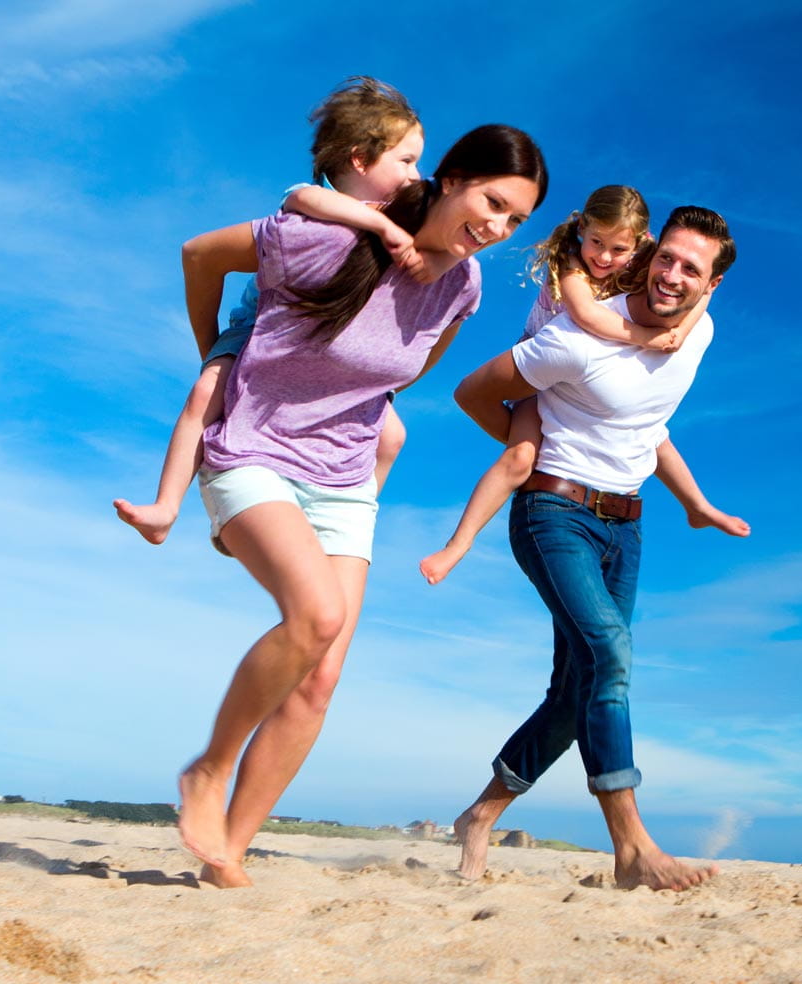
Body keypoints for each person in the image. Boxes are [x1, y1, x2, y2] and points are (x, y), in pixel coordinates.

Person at [174, 125, 549, 888]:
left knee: (320, 678)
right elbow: (199, 254)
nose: (498, 227)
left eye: (515, 220)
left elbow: (403, 372)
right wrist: (216, 351)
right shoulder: (331, 236)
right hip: (253, 449)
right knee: (316, 617)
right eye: (492, 202)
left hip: (344, 477)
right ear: (450, 178)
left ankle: (229, 854)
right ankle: (209, 769)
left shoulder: (463, 286)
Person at [446, 206, 746, 891]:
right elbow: (471, 393)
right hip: (553, 513)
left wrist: (696, 504)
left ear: (712, 284)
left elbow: (648, 427)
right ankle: (632, 848)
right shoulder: (576, 338)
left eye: (691, 269)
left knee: (577, 688)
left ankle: (480, 816)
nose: (672, 276)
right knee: (609, 656)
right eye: (666, 258)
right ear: (650, 253)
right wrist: (531, 450)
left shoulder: (699, 333)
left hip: (626, 528)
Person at [114, 77, 432, 545]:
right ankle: (165, 508)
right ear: (360, 159)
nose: (415, 175)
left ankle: (336, 514)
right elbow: (303, 199)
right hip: (260, 330)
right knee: (206, 394)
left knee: (392, 436)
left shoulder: (399, 216)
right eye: (405, 160)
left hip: (330, 350)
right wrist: (380, 225)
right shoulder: (316, 201)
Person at [419, 185, 729, 585]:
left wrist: (680, 333)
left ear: (641, 243)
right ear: (581, 228)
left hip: (580, 385)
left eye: (618, 249)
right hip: (538, 379)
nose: (604, 257)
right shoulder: (572, 266)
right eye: (596, 242)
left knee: (650, 434)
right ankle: (457, 545)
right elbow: (586, 316)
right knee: (520, 458)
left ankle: (696, 506)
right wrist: (647, 338)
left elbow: (701, 292)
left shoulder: (657, 262)